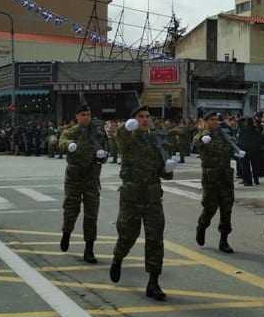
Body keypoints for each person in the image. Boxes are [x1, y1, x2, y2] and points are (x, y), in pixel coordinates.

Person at [110, 106, 178, 301]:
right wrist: (125, 127)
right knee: (128, 235)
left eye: (147, 117)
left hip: (152, 198)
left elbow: (164, 173)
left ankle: (153, 282)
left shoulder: (157, 140)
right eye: (140, 117)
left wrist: (168, 169)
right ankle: (118, 257)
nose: (145, 120)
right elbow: (120, 138)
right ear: (134, 119)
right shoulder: (129, 138)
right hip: (132, 197)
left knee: (155, 239)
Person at [58, 104, 109, 263]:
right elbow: (61, 142)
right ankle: (66, 233)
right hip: (74, 178)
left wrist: (103, 156)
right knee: (71, 210)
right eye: (83, 115)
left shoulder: (98, 133)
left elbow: (106, 152)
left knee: (91, 215)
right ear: (77, 117)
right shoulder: (70, 132)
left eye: (88, 114)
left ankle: (89, 249)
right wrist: (68, 146)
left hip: (92, 178)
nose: (86, 117)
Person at [195, 111, 245, 253]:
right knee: (210, 208)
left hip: (225, 177)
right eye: (211, 119)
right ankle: (202, 226)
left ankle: (224, 240)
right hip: (211, 178)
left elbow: (231, 146)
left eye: (216, 119)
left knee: (226, 210)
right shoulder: (203, 135)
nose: (215, 122)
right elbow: (196, 143)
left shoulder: (223, 135)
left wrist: (237, 152)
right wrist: (202, 139)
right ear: (205, 121)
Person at [238, 118, 263, 186]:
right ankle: (256, 179)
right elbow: (260, 140)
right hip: (255, 151)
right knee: (255, 166)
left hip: (244, 150)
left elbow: (239, 141)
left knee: (245, 166)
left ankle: (248, 181)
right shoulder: (256, 130)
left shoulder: (242, 130)